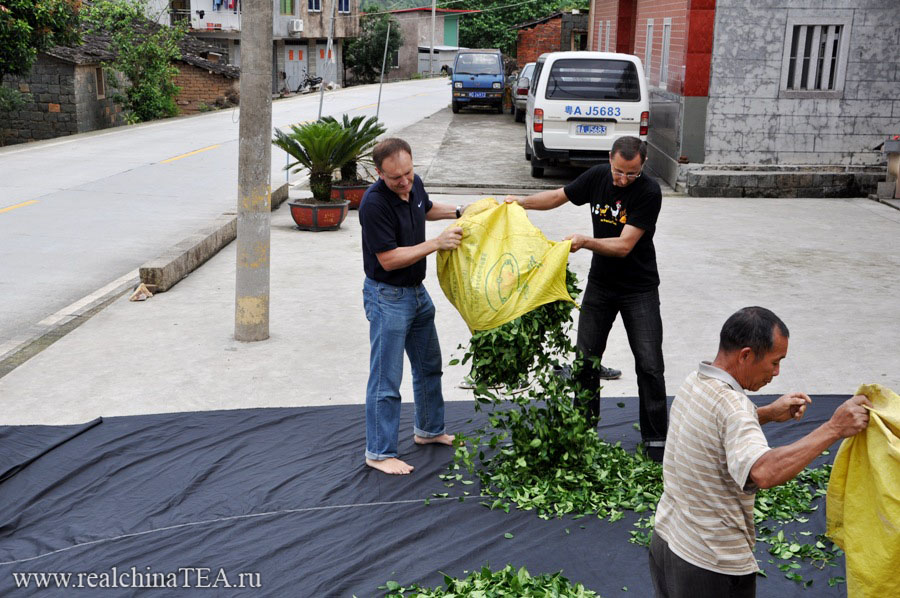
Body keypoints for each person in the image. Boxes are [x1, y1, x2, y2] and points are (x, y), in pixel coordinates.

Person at [650, 306, 871, 598]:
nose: (776, 373)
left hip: (666, 543)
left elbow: (715, 427)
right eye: (774, 362)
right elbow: (764, 471)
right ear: (745, 355)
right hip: (710, 565)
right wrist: (834, 427)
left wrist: (765, 413)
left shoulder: (695, 382)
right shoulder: (734, 407)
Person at [506, 135, 667, 461]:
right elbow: (558, 196)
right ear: (610, 159)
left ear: (643, 165)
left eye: (631, 174)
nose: (623, 180)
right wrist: (519, 203)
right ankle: (582, 431)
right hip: (601, 285)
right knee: (585, 361)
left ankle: (655, 441)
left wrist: (584, 241)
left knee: (649, 365)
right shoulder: (597, 176)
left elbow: (623, 246)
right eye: (619, 172)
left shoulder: (649, 191)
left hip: (639, 288)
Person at [359, 138, 467, 475]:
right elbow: (388, 260)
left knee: (429, 365)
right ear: (379, 174)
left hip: (417, 293)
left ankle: (430, 431)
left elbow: (426, 206)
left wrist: (463, 211)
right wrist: (436, 243)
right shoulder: (373, 205)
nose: (404, 182)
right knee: (386, 378)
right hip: (387, 296)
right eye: (395, 179)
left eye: (408, 173)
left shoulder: (413, 183)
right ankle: (378, 452)